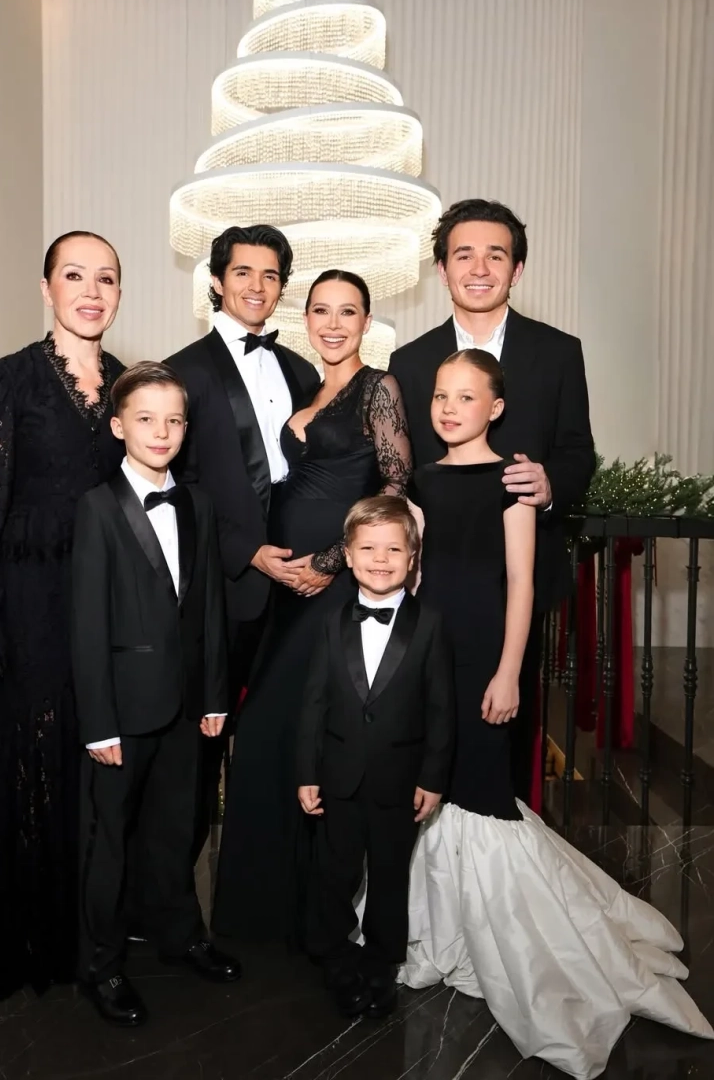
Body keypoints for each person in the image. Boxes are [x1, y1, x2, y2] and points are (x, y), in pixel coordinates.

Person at [399, 348, 713, 1077]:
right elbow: (412, 574)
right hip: (430, 650)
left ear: (496, 407)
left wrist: (509, 670)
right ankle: (443, 925)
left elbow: (520, 583)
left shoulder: (511, 481)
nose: (449, 408)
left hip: (486, 649)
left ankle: (506, 937)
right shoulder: (421, 481)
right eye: (441, 395)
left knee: (480, 790)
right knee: (436, 779)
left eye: (467, 396)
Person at [0, 232, 127, 1002]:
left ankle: (84, 931)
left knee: (93, 762)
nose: (91, 291)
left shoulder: (131, 386)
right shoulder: (4, 380)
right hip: (31, 600)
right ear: (46, 287)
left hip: (107, 604)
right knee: (31, 756)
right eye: (75, 275)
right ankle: (23, 933)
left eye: (106, 278)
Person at [211, 270, 414, 943]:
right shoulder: (305, 387)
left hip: (334, 589)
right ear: (305, 318)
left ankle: (309, 917)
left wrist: (331, 563)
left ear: (366, 322)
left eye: (347, 312)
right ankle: (264, 913)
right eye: (321, 310)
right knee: (275, 740)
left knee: (294, 734)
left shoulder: (378, 387)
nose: (333, 323)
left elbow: (394, 490)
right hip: (284, 591)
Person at [389, 199, 596, 805]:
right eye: (464, 255)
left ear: (517, 269)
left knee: (503, 747)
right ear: (442, 268)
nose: (479, 268)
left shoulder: (558, 352)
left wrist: (551, 484)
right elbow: (401, 473)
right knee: (422, 741)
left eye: (495, 255)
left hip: (517, 585)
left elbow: (578, 451)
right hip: (432, 586)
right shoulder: (409, 361)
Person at [71, 361, 240, 1028]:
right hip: (121, 710)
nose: (161, 431)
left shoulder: (198, 503)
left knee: (176, 831)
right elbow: (87, 624)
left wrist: (215, 695)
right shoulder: (96, 507)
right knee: (109, 842)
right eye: (146, 418)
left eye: (174, 420)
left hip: (187, 705)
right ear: (119, 426)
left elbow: (210, 609)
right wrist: (98, 722)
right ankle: (102, 965)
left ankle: (181, 936)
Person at [164, 225, 320, 859]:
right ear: (216, 280)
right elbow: (179, 488)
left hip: (302, 588)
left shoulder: (303, 370)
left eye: (270, 275)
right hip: (224, 589)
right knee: (201, 747)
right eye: (243, 272)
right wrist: (247, 550)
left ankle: (270, 879)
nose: (257, 286)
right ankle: (177, 888)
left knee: (287, 736)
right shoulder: (182, 371)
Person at [297, 496, 454, 1020]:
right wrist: (306, 772)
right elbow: (313, 704)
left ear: (413, 558)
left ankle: (382, 963)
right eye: (367, 549)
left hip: (400, 779)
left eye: (393, 549)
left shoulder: (430, 624)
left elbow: (441, 708)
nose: (380, 559)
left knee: (390, 875)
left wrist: (433, 776)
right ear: (347, 555)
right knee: (335, 872)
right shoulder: (330, 622)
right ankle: (334, 956)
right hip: (337, 777)